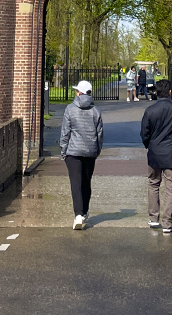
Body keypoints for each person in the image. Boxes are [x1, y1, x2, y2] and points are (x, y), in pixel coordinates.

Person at [139, 77, 172, 234]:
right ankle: (167, 222)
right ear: (169, 92)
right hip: (171, 154)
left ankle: (154, 218)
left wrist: (149, 145)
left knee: (153, 184)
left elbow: (144, 133)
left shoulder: (150, 111)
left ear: (156, 93)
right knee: (170, 188)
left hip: (154, 152)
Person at [59, 78, 104, 230]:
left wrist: (63, 151)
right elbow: (99, 134)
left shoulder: (70, 109)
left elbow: (65, 132)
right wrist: (97, 150)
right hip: (90, 151)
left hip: (73, 151)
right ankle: (84, 211)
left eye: (76, 90)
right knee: (86, 182)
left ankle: (78, 214)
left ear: (79, 92)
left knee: (75, 183)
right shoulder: (96, 111)